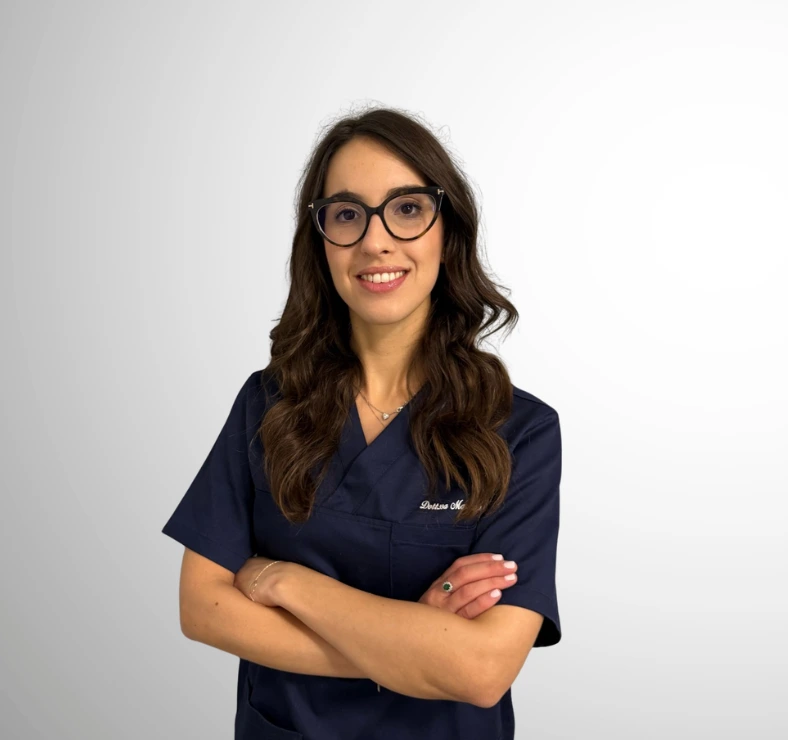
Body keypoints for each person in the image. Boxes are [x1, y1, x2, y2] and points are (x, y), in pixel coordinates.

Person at [161, 106, 562, 740]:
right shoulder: (269, 404)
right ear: (320, 241)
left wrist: (284, 581)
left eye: (407, 208)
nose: (376, 241)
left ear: (448, 232)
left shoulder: (520, 432)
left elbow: (482, 670)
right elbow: (203, 607)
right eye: (347, 214)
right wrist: (412, 648)